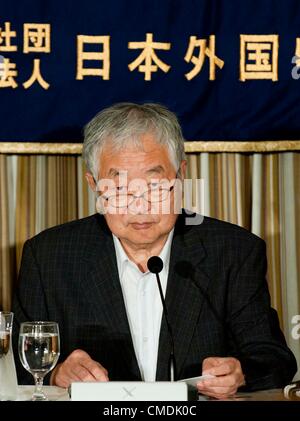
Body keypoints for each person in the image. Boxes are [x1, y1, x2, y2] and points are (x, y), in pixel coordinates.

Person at [12, 103, 297, 399]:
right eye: (120, 188)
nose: (140, 205)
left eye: (156, 186)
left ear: (181, 175)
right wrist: (56, 373)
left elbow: (273, 359)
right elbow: (14, 366)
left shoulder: (233, 251)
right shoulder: (48, 257)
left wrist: (240, 372)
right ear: (94, 184)